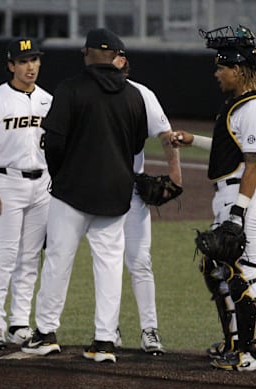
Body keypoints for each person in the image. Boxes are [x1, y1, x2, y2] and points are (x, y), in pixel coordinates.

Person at [21, 28, 148, 363]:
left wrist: (62, 176)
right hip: (115, 194)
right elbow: (136, 145)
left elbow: (54, 142)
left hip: (72, 191)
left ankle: (46, 333)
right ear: (115, 57)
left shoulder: (70, 89)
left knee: (58, 261)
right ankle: (104, 341)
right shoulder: (135, 96)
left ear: (89, 54)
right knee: (108, 266)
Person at [171, 25, 256, 372]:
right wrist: (192, 141)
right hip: (231, 196)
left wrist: (236, 215)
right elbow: (230, 147)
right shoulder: (239, 104)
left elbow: (252, 165)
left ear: (238, 70)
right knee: (215, 268)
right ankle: (234, 344)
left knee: (243, 274)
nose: (217, 73)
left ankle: (253, 354)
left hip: (244, 197)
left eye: (221, 67)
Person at [0, 38, 52, 350]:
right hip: (7, 182)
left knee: (30, 256)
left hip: (42, 184)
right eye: (23, 61)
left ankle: (19, 321)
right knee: (4, 255)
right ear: (11, 65)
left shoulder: (48, 100)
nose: (30, 66)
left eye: (34, 60)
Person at [110, 52, 182, 355]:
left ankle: (149, 330)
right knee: (106, 262)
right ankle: (107, 329)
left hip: (131, 190)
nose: (117, 60)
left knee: (140, 261)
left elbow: (166, 135)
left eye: (119, 55)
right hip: (93, 191)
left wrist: (176, 175)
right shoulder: (84, 92)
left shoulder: (142, 94)